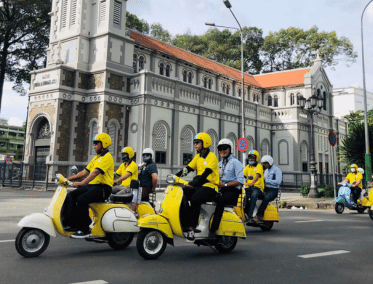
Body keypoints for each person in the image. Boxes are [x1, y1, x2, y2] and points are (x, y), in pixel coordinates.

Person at [67, 133, 114, 238]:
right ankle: (73, 224)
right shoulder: (96, 158)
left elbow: (95, 173)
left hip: (103, 188)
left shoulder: (107, 157)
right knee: (71, 196)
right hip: (92, 186)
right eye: (94, 143)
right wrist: (68, 179)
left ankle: (85, 229)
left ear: (104, 143)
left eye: (96, 143)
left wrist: (82, 183)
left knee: (81, 200)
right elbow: (84, 172)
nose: (94, 146)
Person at [175, 132, 219, 242]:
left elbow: (205, 174)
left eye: (197, 143)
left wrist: (193, 183)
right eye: (195, 143)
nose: (195, 145)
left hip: (211, 187)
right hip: (200, 186)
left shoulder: (212, 157)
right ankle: (184, 223)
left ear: (205, 143)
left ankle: (192, 228)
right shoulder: (198, 157)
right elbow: (188, 169)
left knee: (195, 199)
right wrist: (175, 176)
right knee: (182, 193)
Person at [209, 138, 244, 239]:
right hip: (221, 190)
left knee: (220, 201)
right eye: (220, 149)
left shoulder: (236, 163)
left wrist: (224, 185)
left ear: (230, 149)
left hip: (232, 191)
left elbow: (240, 181)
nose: (222, 151)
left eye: (225, 148)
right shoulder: (219, 164)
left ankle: (213, 230)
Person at [255, 155, 282, 222]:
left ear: (270, 162)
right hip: (265, 189)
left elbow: (278, 182)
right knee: (254, 195)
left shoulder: (277, 170)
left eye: (266, 164)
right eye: (264, 164)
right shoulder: (266, 171)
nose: (265, 165)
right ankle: (252, 214)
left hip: (273, 190)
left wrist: (266, 180)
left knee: (266, 198)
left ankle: (260, 215)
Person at [243, 149, 264, 224]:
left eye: (252, 158)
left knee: (253, 196)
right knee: (243, 197)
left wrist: (253, 182)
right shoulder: (247, 167)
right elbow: (243, 175)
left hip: (257, 187)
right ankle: (244, 213)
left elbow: (258, 175)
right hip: (248, 187)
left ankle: (251, 215)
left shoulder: (259, 166)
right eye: (249, 158)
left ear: (256, 158)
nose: (251, 160)